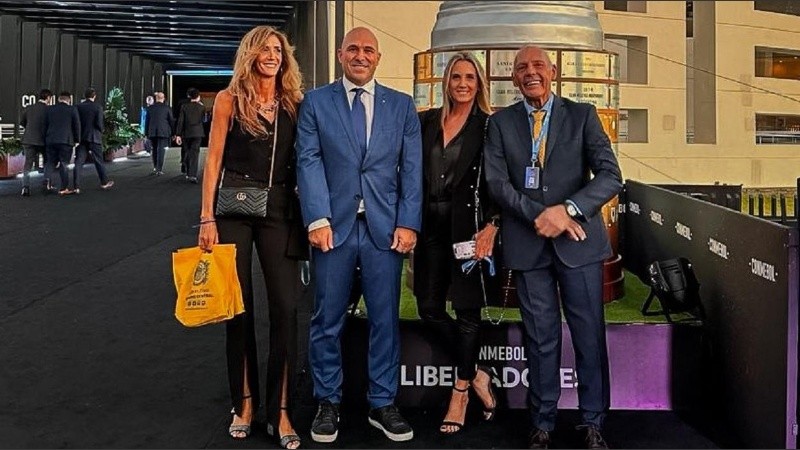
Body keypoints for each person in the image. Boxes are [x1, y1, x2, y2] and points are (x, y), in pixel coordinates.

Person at [483, 45, 622, 450]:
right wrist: (538, 216)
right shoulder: (501, 123)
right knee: (539, 338)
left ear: (553, 71)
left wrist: (567, 210)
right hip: (529, 247)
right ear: (514, 78)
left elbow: (611, 176)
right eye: (522, 67)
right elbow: (496, 183)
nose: (531, 72)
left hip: (577, 244)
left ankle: (593, 421)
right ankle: (541, 422)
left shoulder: (583, 116)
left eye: (538, 65)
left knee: (588, 336)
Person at [296, 26, 422, 444]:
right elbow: (308, 161)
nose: (361, 55)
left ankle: (382, 403)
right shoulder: (315, 103)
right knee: (326, 318)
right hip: (333, 228)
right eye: (354, 49)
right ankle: (327, 401)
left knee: (385, 320)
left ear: (379, 57)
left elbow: (413, 171)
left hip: (385, 231)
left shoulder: (402, 106)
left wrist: (408, 222)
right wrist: (317, 219)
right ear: (339, 54)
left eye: (369, 50)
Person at [197, 25, 307, 449]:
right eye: (264, 49)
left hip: (280, 211)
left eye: (278, 49)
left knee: (285, 309)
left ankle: (280, 412)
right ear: (250, 55)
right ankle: (244, 403)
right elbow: (214, 162)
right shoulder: (228, 100)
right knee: (237, 308)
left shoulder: (294, 103)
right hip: (234, 211)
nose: (272, 55)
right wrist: (206, 217)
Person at [413, 51, 500, 435]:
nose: (462, 84)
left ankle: (461, 391)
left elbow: (501, 180)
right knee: (429, 307)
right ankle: (479, 372)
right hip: (428, 226)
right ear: (446, 82)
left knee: (467, 313)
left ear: (479, 83)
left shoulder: (489, 127)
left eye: (470, 78)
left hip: (469, 229)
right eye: (456, 77)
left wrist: (494, 224)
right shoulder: (426, 121)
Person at [73, 88, 114, 194]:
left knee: (79, 161)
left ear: (84, 96)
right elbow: (99, 124)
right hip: (94, 137)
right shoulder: (98, 107)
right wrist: (102, 131)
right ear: (94, 96)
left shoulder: (78, 107)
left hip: (81, 138)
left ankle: (76, 186)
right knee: (98, 161)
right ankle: (104, 182)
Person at [44, 91, 80, 196]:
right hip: (66, 141)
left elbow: (45, 124)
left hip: (50, 139)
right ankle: (63, 188)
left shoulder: (50, 109)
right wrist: (77, 140)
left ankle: (46, 179)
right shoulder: (72, 109)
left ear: (58, 99)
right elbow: (76, 125)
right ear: (69, 100)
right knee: (64, 163)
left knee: (50, 161)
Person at [20, 89, 52, 196]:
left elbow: (22, 122)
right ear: (48, 98)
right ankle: (46, 183)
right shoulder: (49, 110)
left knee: (28, 165)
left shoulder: (29, 108)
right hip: (44, 141)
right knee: (47, 162)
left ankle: (25, 187)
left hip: (28, 140)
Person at [175, 87, 205, 183]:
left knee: (187, 151)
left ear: (189, 96)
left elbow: (180, 121)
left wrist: (178, 134)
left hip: (186, 133)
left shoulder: (184, 106)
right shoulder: (202, 107)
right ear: (198, 96)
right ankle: (193, 175)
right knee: (195, 153)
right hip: (198, 133)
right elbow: (203, 120)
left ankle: (187, 171)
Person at [144, 91, 173, 175]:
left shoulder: (150, 108)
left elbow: (147, 121)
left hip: (152, 131)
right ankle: (159, 169)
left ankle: (155, 166)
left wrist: (146, 133)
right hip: (163, 131)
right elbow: (171, 121)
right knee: (161, 150)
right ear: (163, 99)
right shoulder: (167, 108)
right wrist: (173, 132)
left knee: (154, 149)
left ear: (156, 98)